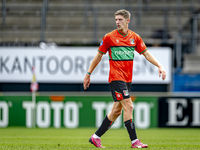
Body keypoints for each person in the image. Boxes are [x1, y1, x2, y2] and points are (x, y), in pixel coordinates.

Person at [83, 9, 166, 148]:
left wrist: (159, 65)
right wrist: (88, 74)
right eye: (116, 20)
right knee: (129, 105)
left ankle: (95, 137)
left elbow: (146, 53)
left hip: (127, 80)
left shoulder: (135, 37)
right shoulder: (109, 37)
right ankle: (134, 141)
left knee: (116, 111)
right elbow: (98, 56)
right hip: (116, 78)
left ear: (128, 21)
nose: (117, 22)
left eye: (120, 20)